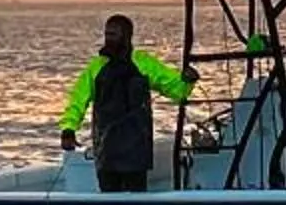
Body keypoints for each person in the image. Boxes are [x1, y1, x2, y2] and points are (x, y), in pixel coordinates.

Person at [57, 14, 195, 193]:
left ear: (127, 36)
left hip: (137, 150)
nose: (108, 39)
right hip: (107, 150)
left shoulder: (144, 63)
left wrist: (188, 81)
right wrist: (69, 128)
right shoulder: (96, 67)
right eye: (106, 34)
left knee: (137, 197)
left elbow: (176, 91)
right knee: (109, 196)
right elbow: (77, 100)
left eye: (113, 34)